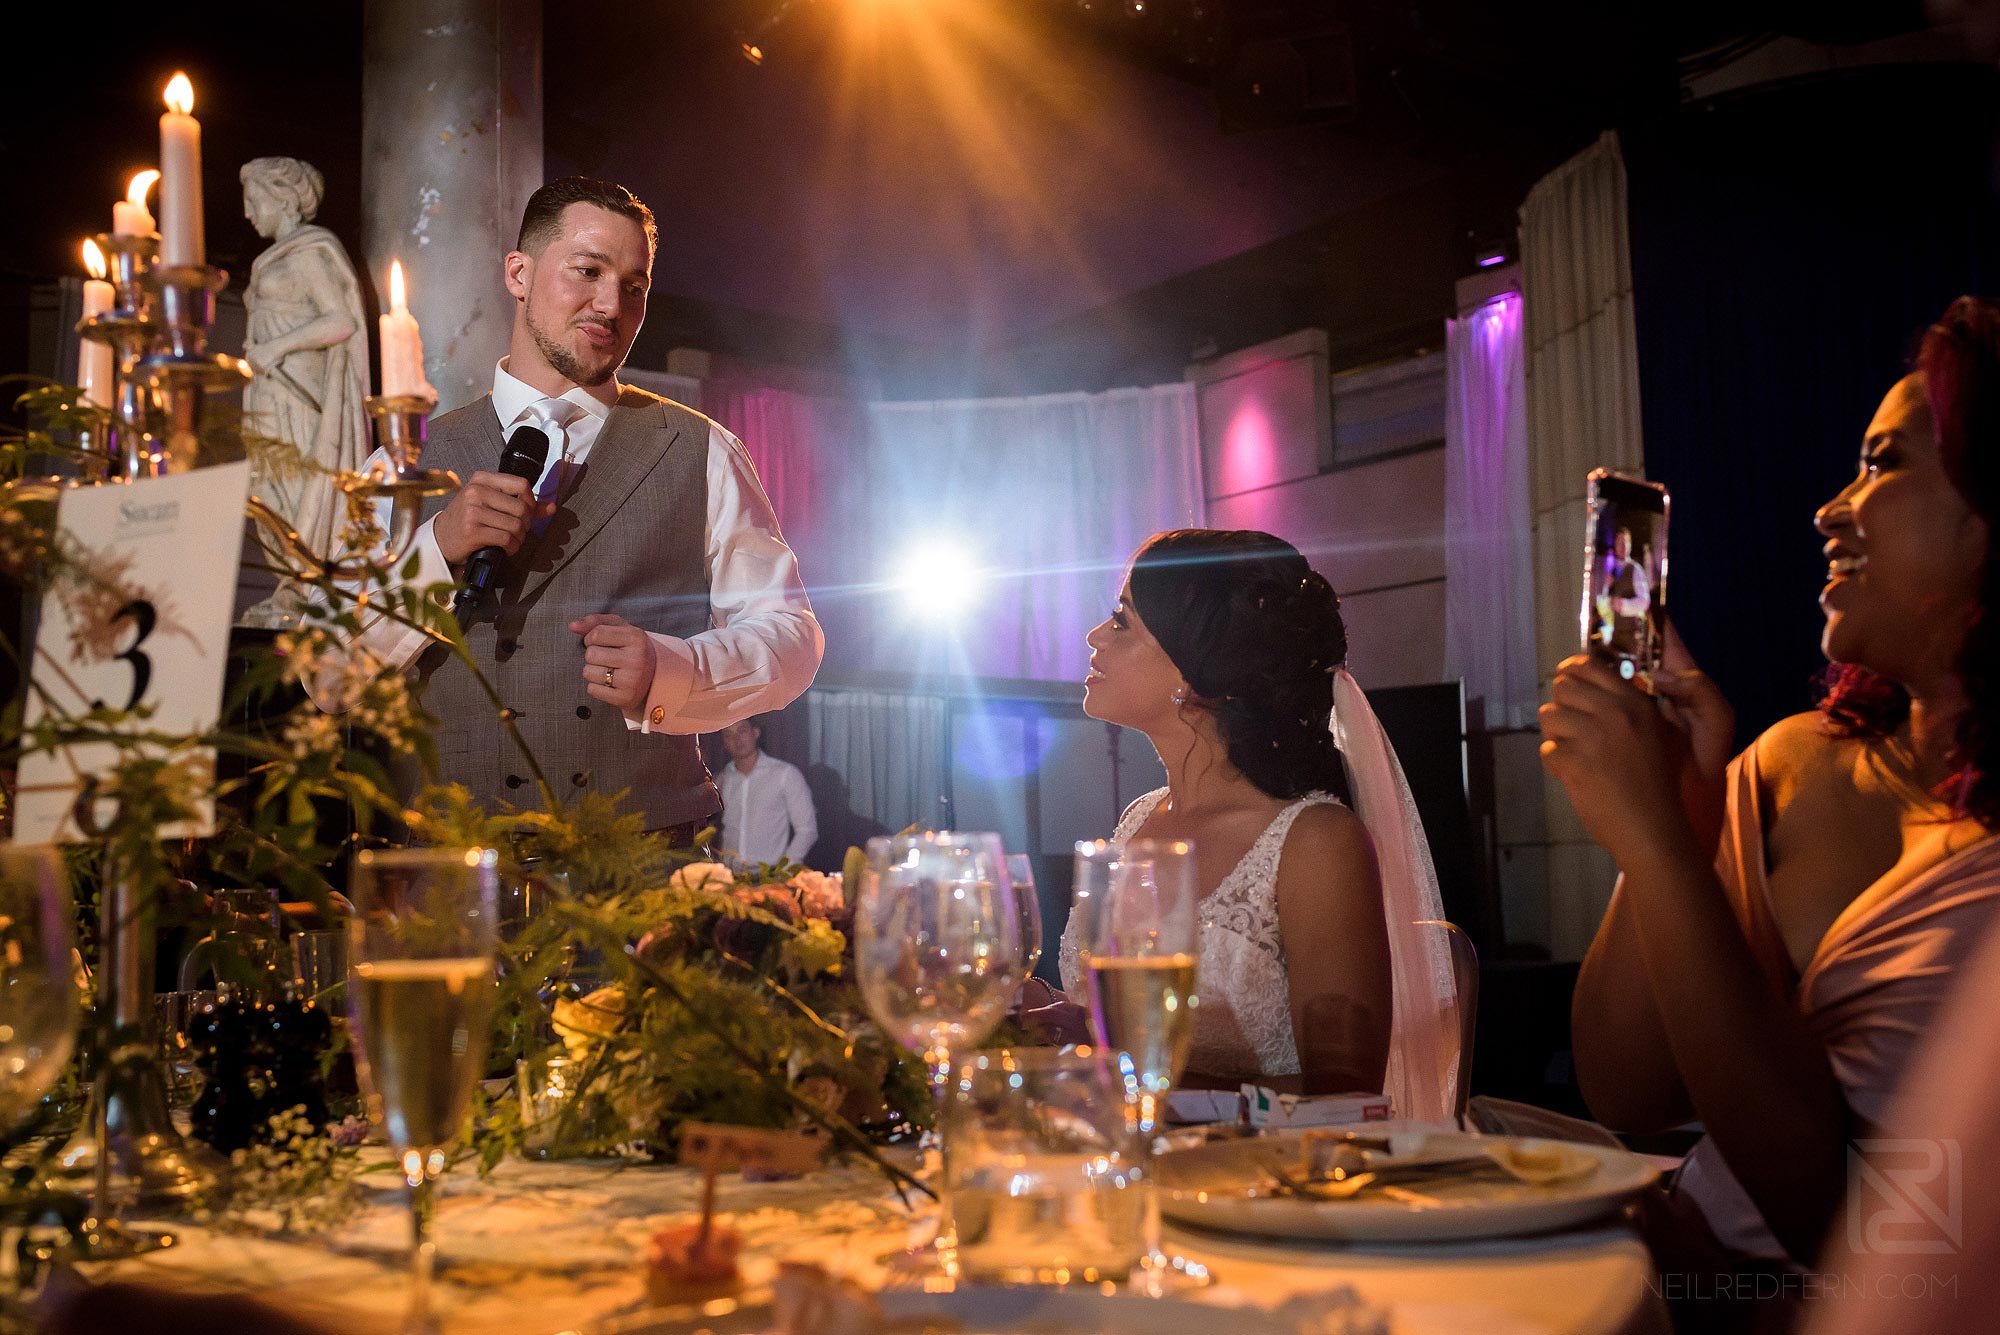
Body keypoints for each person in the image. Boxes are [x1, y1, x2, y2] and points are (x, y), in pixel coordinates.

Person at [1542, 297, 2000, 1318]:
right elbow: (1626, 1091)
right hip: (1662, 1265)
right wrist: (1678, 819)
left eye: (1881, 465)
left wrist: (1660, 846)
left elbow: (1836, 1221)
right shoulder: (1790, 764)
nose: (1829, 507)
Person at [341, 177, 822, 838]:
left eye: (634, 285)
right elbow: (329, 673)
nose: (611, 304)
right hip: (446, 886)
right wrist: (435, 549)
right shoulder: (406, 464)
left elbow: (793, 638)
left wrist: (673, 671)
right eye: (588, 271)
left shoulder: (702, 450)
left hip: (641, 882)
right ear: (519, 272)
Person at [1053, 529, 1461, 1116]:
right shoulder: (1136, 822)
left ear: (1196, 669)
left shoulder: (1315, 841)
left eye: (1122, 621)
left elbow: (1346, 1097)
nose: (1094, 637)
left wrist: (1132, 1085)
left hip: (1265, 1189)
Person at [238, 155, 371, 624]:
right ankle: (291, 584)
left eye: (254, 200)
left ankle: (313, 586)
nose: (249, 212)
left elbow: (340, 320)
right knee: (268, 489)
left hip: (301, 393)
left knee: (302, 485)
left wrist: (276, 347)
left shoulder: (311, 251)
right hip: (268, 392)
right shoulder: (271, 258)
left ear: (283, 198)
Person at [714, 717, 818, 866]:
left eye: (742, 730)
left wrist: (783, 870)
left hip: (769, 877)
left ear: (755, 732)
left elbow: (807, 830)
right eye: (728, 735)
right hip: (729, 878)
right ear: (724, 742)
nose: (736, 739)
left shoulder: (785, 774)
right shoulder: (722, 778)